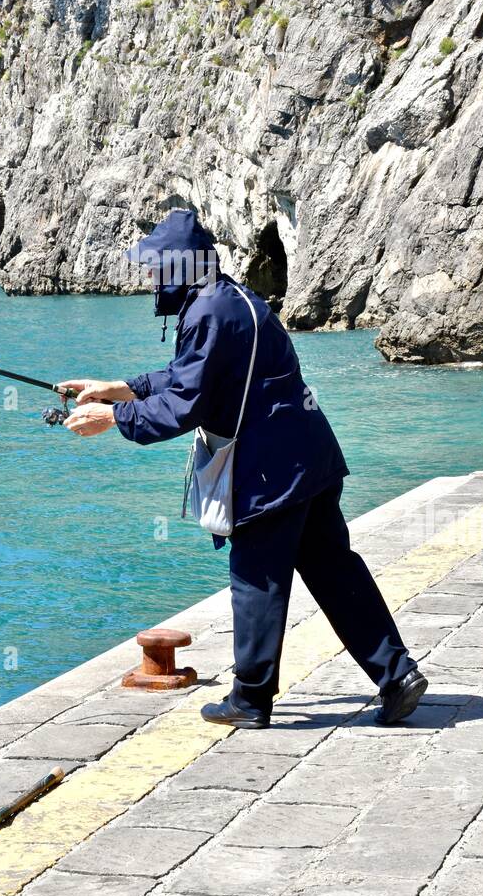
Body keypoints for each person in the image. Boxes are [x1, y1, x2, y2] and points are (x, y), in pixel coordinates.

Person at [59, 209, 427, 728]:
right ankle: (398, 674)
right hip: (310, 458)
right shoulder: (234, 297)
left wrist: (113, 418)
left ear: (178, 267)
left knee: (256, 579)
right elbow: (190, 374)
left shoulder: (206, 312)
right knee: (334, 569)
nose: (148, 277)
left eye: (154, 266)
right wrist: (121, 388)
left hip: (267, 473)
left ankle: (250, 701)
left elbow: (184, 405)